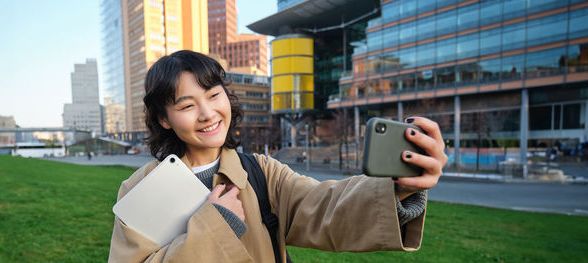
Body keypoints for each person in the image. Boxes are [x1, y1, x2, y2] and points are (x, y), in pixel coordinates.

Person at [108, 50, 448, 262]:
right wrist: (216, 225)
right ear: (164, 118)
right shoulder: (139, 189)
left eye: (214, 95)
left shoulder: (261, 172)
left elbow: (325, 206)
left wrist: (397, 188)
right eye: (186, 105)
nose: (207, 113)